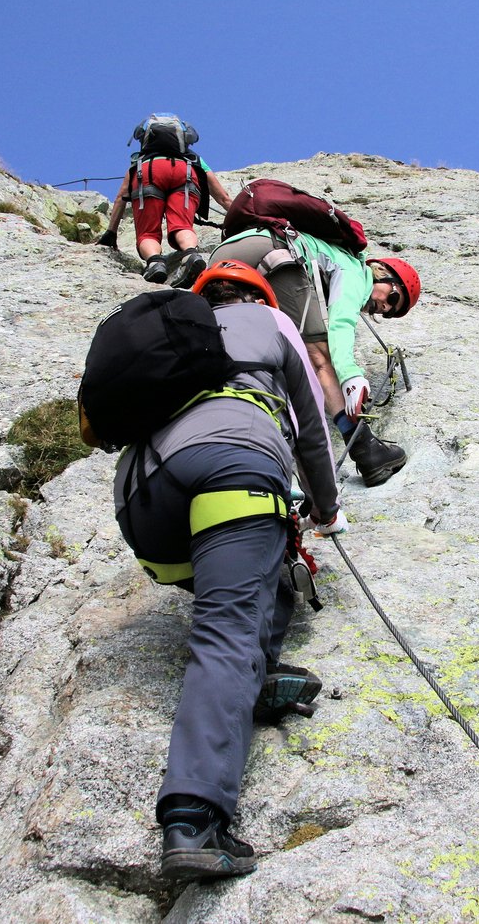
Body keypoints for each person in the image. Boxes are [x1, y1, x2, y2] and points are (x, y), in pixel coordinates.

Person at [110, 261, 346, 880]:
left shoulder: (177, 339)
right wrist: (326, 505)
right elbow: (313, 430)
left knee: (267, 571)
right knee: (227, 631)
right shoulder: (269, 320)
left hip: (144, 506)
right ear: (262, 296)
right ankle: (194, 817)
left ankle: (257, 681)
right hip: (230, 470)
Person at [208, 227, 421, 487]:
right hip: (271, 251)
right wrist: (350, 375)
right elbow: (341, 324)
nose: (385, 308)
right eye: (393, 297)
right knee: (318, 355)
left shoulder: (329, 261)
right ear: (381, 272)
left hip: (222, 259)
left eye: (390, 312)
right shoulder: (355, 271)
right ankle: (366, 449)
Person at [96, 119, 234, 289]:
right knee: (182, 225)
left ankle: (155, 263)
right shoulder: (193, 159)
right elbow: (223, 197)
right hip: (185, 172)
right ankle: (191, 254)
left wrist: (111, 232)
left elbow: (121, 197)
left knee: (148, 233)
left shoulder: (140, 160)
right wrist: (243, 217)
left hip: (149, 172)